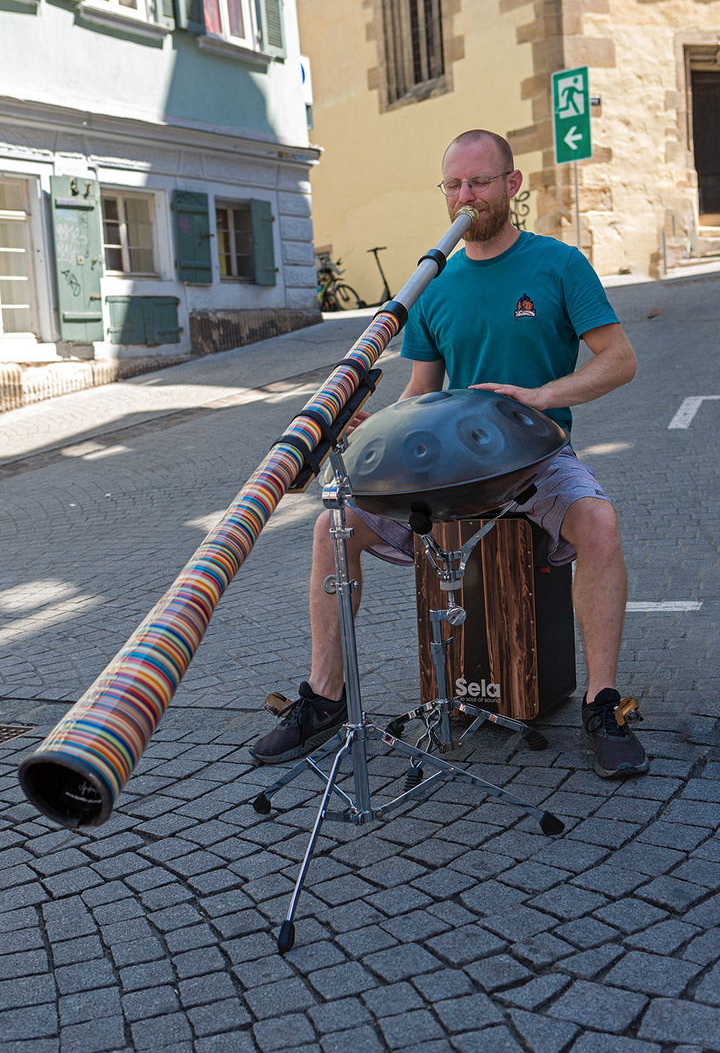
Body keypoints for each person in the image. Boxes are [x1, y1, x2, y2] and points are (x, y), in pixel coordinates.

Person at [252, 128, 648, 780]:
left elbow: (620, 361)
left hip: (537, 460)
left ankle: (602, 705)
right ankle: (325, 696)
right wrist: (357, 426)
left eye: (481, 182)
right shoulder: (432, 285)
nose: (467, 196)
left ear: (512, 185)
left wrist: (544, 393)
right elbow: (419, 396)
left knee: (599, 524)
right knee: (332, 524)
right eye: (454, 185)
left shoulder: (558, 265)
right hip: (453, 470)